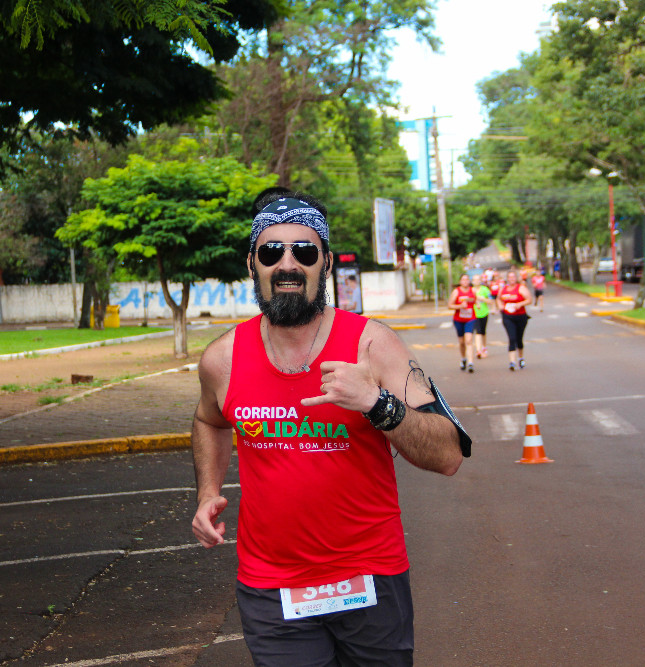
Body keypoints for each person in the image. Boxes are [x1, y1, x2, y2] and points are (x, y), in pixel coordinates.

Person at [191, 192, 470, 667]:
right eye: (271, 251)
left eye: (304, 251)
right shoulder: (223, 358)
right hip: (271, 584)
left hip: (369, 577)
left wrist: (377, 403)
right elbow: (208, 419)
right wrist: (207, 493)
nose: (287, 264)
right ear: (252, 263)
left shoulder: (373, 345)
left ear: (325, 262)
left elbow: (448, 455)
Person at [497, 269, 530, 371]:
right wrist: (500, 306)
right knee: (512, 338)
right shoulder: (503, 289)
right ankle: (512, 362)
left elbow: (529, 299)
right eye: (510, 277)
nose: (511, 279)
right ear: (507, 278)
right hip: (508, 316)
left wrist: (520, 304)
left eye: (513, 277)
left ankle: (520, 358)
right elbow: (498, 299)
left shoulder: (521, 288)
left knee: (519, 339)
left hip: (520, 316)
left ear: (516, 278)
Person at [447, 274, 477, 373]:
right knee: (462, 342)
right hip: (459, 319)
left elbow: (477, 301)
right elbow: (449, 305)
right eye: (463, 280)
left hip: (470, 319)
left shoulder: (473, 290)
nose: (465, 281)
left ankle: (470, 363)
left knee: (469, 340)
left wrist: (478, 305)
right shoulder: (456, 291)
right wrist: (460, 306)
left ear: (469, 281)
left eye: (467, 279)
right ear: (460, 281)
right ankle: (464, 358)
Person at [471, 274, 493, 359]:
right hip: (474, 314)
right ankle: (478, 350)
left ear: (480, 281)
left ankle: (484, 347)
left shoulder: (485, 289)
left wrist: (482, 299)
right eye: (475, 280)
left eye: (478, 279)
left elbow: (491, 301)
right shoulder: (471, 290)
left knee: (483, 332)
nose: (476, 281)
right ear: (472, 281)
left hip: (484, 313)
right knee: (478, 331)